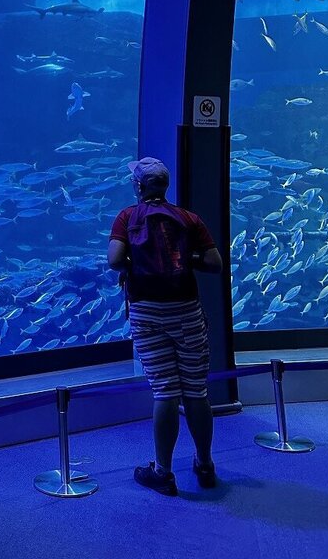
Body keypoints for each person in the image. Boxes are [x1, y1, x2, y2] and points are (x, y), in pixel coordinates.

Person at [108, 157, 223, 496]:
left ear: (138, 186)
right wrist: (185, 258)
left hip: (147, 314)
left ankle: (163, 472)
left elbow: (114, 260)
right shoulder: (188, 218)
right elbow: (214, 263)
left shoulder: (127, 217)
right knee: (196, 391)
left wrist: (137, 263)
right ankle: (205, 465)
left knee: (164, 392)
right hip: (186, 312)